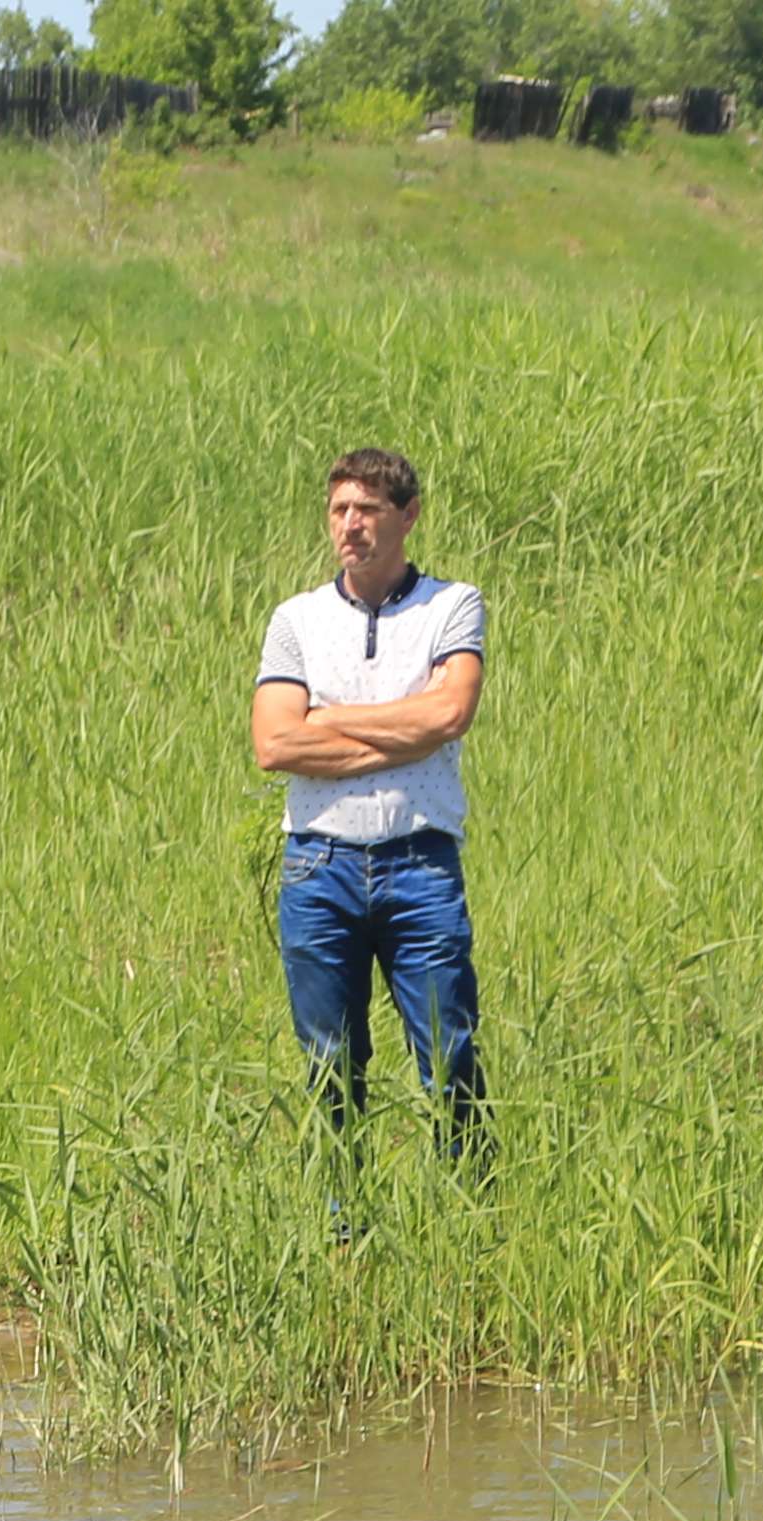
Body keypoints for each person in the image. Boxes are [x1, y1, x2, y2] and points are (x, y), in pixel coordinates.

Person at [252, 444, 488, 1149]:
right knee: (330, 1070)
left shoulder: (451, 606)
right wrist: (401, 729)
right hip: (318, 869)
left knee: (451, 1061)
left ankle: (475, 1222)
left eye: (368, 510)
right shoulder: (296, 620)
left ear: (408, 516)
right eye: (338, 510)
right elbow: (274, 745)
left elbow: (449, 716)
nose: (350, 525)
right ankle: (342, 1236)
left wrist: (326, 721)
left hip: (420, 865)